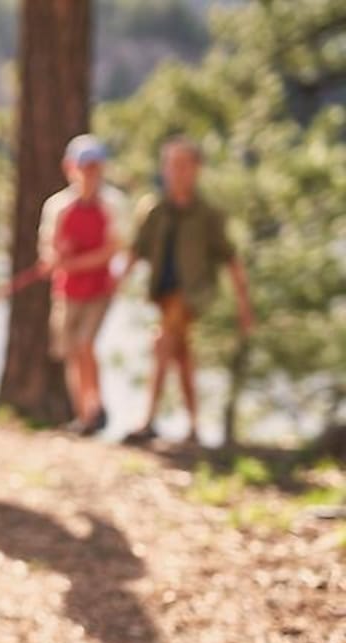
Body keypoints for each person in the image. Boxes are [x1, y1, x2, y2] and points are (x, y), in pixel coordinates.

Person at [123, 137, 254, 444]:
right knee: (181, 356)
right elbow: (137, 250)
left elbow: (231, 259)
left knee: (162, 343)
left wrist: (244, 305)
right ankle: (194, 426)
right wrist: (117, 283)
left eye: (183, 165)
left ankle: (147, 419)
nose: (177, 172)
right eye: (171, 165)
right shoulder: (155, 210)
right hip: (163, 294)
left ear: (196, 169)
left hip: (193, 295)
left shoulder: (207, 215)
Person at [38, 134, 129, 436]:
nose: (90, 174)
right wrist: (58, 257)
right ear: (71, 168)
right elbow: (49, 250)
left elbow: (112, 250)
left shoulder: (112, 204)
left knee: (85, 343)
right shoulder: (58, 207)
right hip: (67, 290)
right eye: (85, 167)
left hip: (99, 288)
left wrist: (73, 263)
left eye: (95, 167)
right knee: (72, 352)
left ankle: (95, 407)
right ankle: (83, 415)